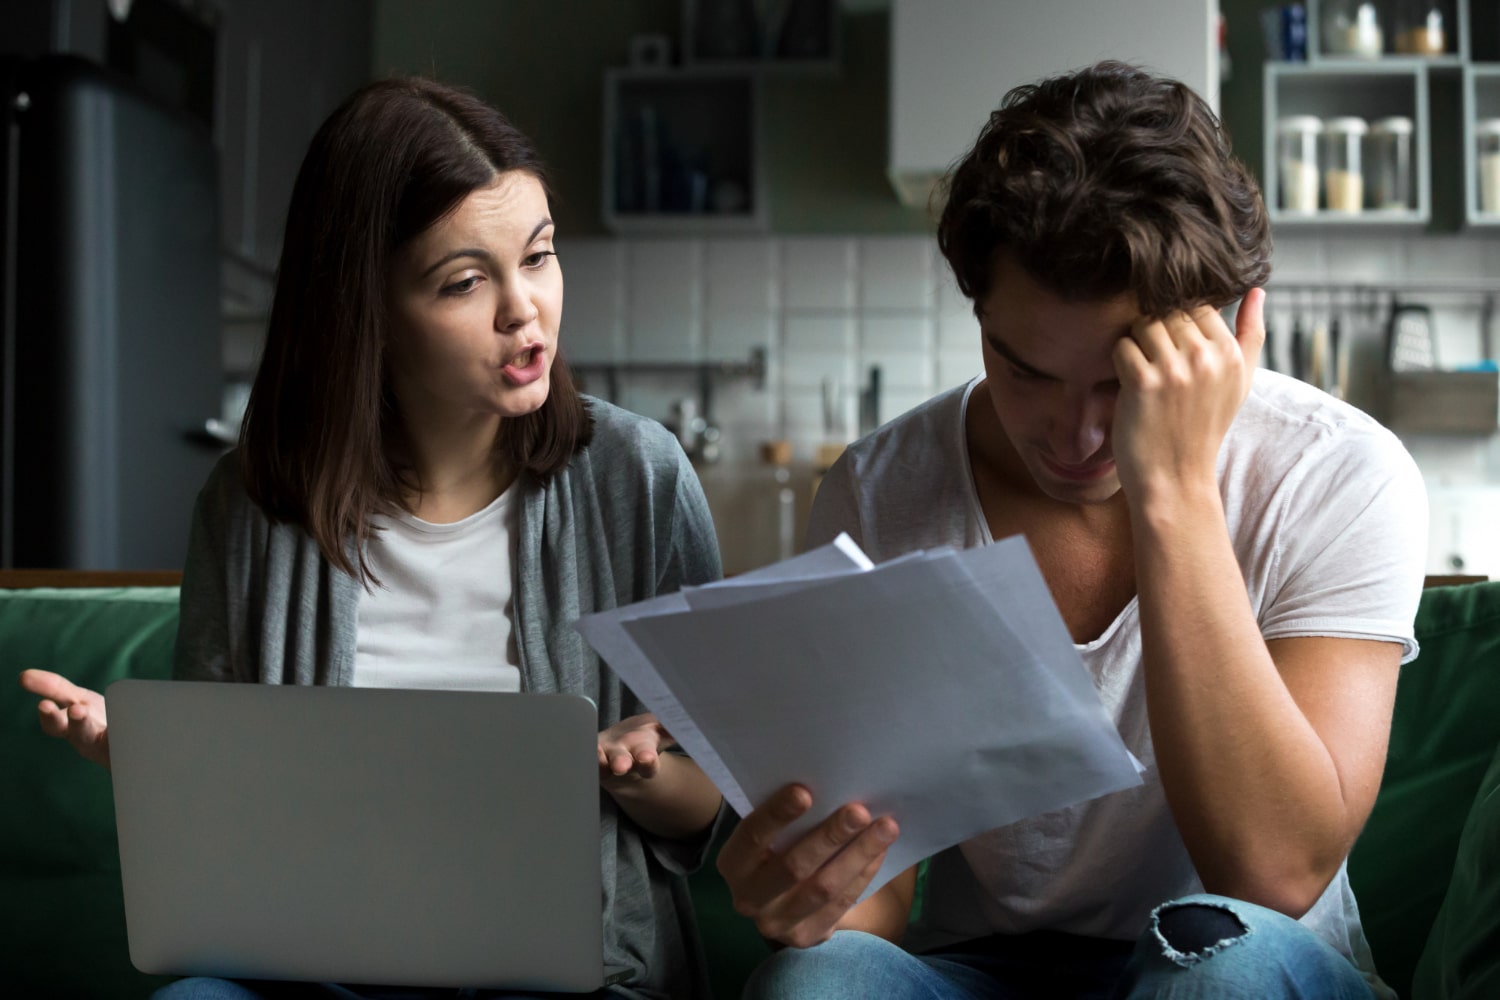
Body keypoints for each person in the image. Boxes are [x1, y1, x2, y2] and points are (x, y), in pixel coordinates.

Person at [715, 61, 1427, 1000]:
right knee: (816, 980)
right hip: (987, 972)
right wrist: (806, 891)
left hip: (1239, 953)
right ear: (980, 322)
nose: (1078, 436)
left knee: (1226, 974)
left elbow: (1274, 876)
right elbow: (873, 914)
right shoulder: (883, 489)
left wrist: (1173, 489)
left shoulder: (1340, 472)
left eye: (1123, 382)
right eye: (1026, 374)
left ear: (1227, 331)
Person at [19, 76, 725, 1000]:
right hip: (307, 973)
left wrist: (635, 775)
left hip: (565, 974)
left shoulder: (638, 476)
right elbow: (229, 840)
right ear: (366, 309)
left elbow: (712, 806)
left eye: (540, 257)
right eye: (466, 281)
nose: (526, 310)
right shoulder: (250, 504)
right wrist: (157, 765)